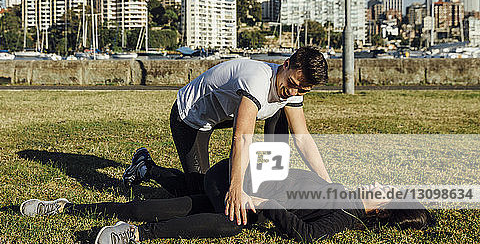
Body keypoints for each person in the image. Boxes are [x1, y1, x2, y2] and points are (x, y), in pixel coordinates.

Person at [20, 158, 433, 244]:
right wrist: (256, 194)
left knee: (179, 205)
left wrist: (265, 202)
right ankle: (136, 236)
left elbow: (307, 235)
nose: (381, 182)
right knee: (231, 223)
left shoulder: (343, 216)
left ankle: (66, 207)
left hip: (241, 185)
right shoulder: (339, 191)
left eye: (387, 189)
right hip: (234, 178)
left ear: (381, 209)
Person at [123, 46, 331, 225]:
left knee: (281, 115)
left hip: (225, 113)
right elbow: (242, 138)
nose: (293, 93)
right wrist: (236, 189)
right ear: (286, 65)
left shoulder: (292, 89)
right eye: (293, 84)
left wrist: (328, 184)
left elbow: (302, 137)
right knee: (200, 192)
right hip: (192, 117)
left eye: (302, 90)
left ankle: (269, 178)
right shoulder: (257, 81)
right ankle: (146, 168)